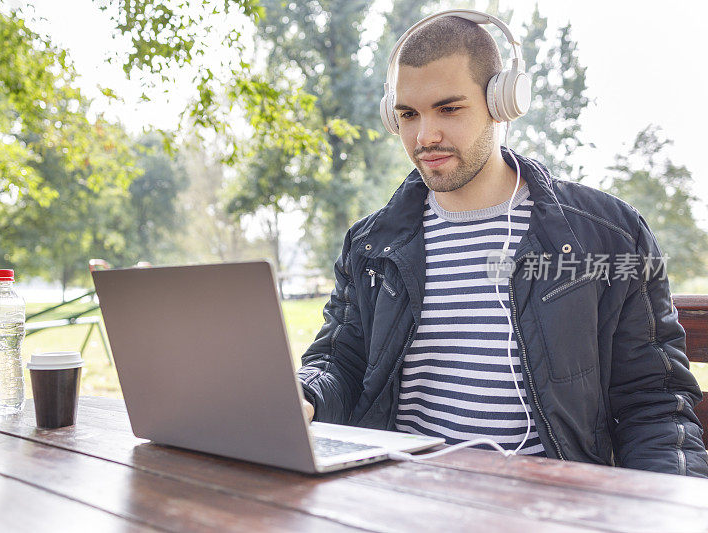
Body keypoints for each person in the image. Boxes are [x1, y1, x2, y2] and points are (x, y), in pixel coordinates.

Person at [297, 10, 708, 477]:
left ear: (503, 101)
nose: (424, 136)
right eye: (408, 114)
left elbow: (653, 404)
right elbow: (339, 359)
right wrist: (302, 393)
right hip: (399, 499)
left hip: (547, 509)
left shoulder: (610, 236)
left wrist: (667, 509)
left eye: (448, 109)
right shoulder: (370, 245)